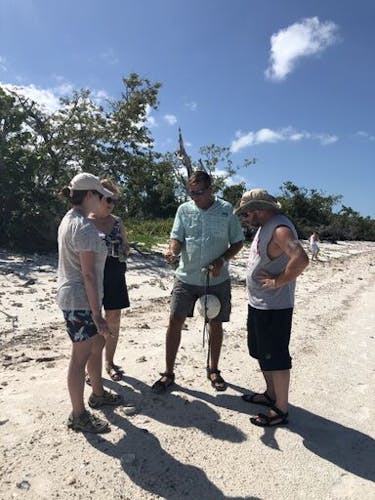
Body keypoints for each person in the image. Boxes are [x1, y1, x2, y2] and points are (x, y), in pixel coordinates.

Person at [152, 171, 244, 394]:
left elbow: (238, 242)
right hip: (186, 276)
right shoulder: (184, 210)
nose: (195, 197)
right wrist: (172, 251)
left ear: (210, 189)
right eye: (191, 192)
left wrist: (222, 260)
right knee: (175, 319)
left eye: (199, 192)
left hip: (216, 279)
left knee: (215, 323)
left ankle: (214, 369)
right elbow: (177, 237)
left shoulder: (226, 210)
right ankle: (168, 372)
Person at [235, 189, 308, 427]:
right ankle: (270, 394)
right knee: (260, 351)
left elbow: (301, 258)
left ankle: (281, 409)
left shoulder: (280, 228)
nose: (245, 217)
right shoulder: (265, 227)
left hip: (275, 307)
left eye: (247, 212)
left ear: (259, 209)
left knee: (276, 356)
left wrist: (278, 281)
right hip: (259, 303)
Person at [57, 172, 123, 434]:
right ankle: (78, 414)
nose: (103, 199)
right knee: (80, 355)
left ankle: (97, 393)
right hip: (80, 300)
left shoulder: (71, 220)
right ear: (88, 195)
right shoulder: (83, 227)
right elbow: (88, 274)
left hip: (78, 298)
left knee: (96, 344)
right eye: (99, 195)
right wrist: (97, 314)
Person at [88, 178, 130, 381]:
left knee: (113, 319)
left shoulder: (117, 222)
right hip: (92, 273)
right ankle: (91, 366)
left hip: (114, 272)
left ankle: (109, 361)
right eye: (107, 199)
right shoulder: (85, 220)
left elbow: (126, 248)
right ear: (96, 197)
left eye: (114, 200)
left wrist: (122, 249)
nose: (110, 204)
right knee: (93, 320)